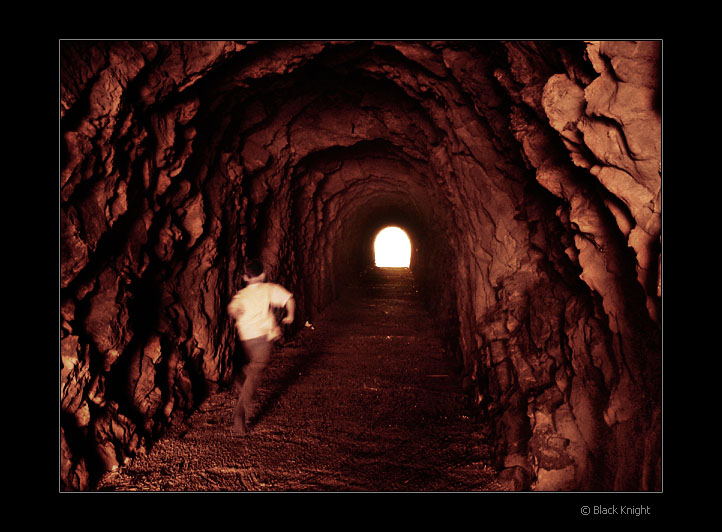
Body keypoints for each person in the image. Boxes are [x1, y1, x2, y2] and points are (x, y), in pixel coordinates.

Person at [227, 259, 295, 436]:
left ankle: (242, 378)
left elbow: (232, 309)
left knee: (254, 368)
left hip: (246, 337)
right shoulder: (269, 289)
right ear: (263, 275)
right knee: (258, 368)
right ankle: (239, 414)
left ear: (244, 277)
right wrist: (290, 316)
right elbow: (289, 299)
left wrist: (238, 312)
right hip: (262, 337)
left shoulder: (241, 294)